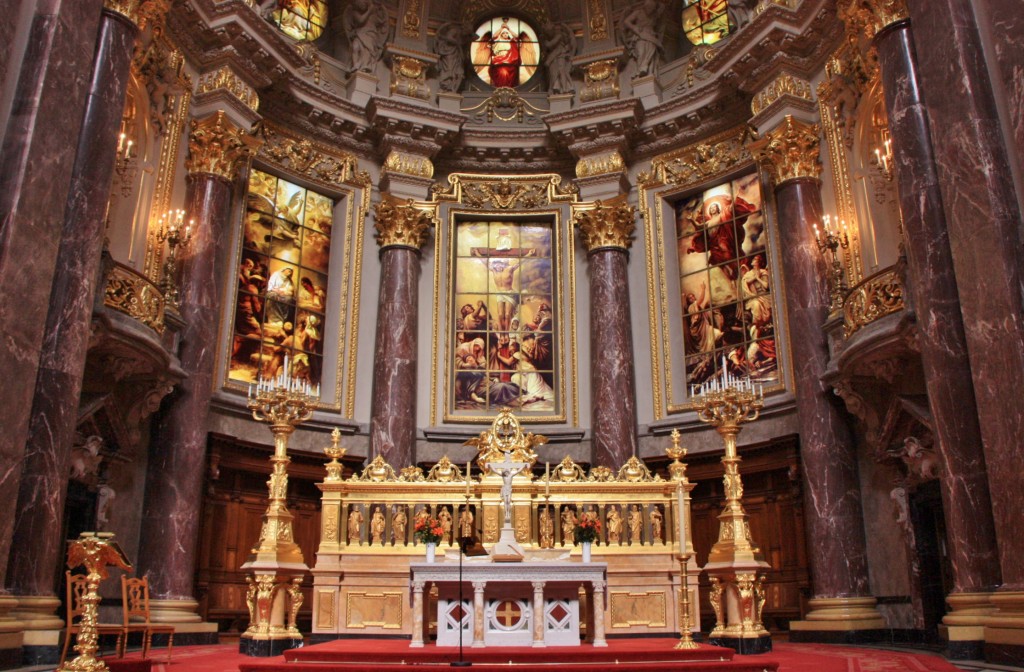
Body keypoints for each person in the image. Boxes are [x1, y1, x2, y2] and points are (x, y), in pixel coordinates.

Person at [474, 18, 533, 87]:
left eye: (506, 33)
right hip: (498, 62)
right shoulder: (497, 41)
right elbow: (494, 36)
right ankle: (501, 88)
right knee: (503, 72)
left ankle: (508, 88)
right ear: (501, 34)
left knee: (510, 72)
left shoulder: (511, 42)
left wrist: (508, 29)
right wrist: (501, 28)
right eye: (503, 33)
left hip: (510, 62)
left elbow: (517, 37)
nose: (505, 34)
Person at [342, 0, 389, 73]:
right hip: (359, 33)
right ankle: (355, 64)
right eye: (360, 4)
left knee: (367, 50)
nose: (362, 6)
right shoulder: (355, 13)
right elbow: (361, 20)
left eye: (363, 4)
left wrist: (383, 16)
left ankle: (365, 65)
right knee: (355, 47)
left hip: (370, 35)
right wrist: (370, 10)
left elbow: (380, 22)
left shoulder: (373, 14)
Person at [622, 0, 663, 77]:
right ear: (645, 6)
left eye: (652, 8)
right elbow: (626, 21)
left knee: (650, 52)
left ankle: (645, 69)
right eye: (649, 7)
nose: (650, 10)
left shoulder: (654, 16)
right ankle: (640, 69)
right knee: (641, 52)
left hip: (651, 36)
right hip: (640, 35)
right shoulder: (638, 12)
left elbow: (662, 9)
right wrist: (634, 27)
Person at [543, 21, 576, 94]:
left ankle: (564, 88)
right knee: (555, 73)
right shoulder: (556, 38)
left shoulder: (559, 35)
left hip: (560, 55)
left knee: (561, 72)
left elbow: (551, 44)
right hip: (556, 57)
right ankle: (557, 87)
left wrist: (547, 43)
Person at [436, 21, 469, 92]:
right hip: (449, 51)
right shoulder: (455, 30)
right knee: (449, 68)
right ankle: (447, 85)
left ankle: (452, 87)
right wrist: (457, 43)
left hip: (456, 54)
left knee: (459, 72)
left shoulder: (463, 35)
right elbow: (448, 37)